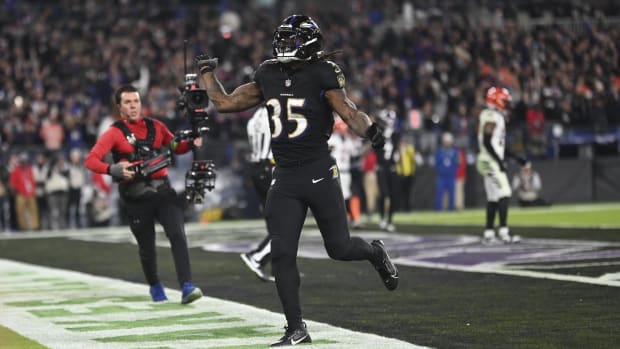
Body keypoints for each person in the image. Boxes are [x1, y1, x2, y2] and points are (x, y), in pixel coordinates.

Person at [196, 14, 399, 347]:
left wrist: (371, 131)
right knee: (281, 254)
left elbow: (348, 111)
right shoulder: (268, 73)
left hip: (318, 171)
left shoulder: (323, 73)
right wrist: (207, 74)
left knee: (340, 247)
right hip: (285, 175)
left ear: (309, 43)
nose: (284, 46)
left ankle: (375, 253)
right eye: (283, 39)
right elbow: (225, 102)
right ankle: (296, 328)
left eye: (291, 40)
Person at [85, 85, 203, 304]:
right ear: (119, 107)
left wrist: (191, 142)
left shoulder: (156, 126)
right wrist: (111, 170)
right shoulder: (113, 132)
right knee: (146, 247)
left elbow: (176, 146)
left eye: (136, 101)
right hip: (135, 197)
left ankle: (187, 285)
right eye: (128, 102)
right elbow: (91, 160)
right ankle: (155, 285)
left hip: (162, 191)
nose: (133, 106)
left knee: (178, 234)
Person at [476, 86, 528, 244]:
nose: (506, 104)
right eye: (504, 100)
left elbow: (497, 145)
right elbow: (486, 141)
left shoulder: (492, 115)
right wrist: (499, 163)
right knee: (504, 192)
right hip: (489, 161)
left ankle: (489, 232)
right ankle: (504, 233)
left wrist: (518, 159)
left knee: (493, 197)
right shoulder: (492, 115)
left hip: (488, 160)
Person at [241, 105, 275, 282]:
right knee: (285, 223)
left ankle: (279, 268)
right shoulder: (274, 113)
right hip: (270, 168)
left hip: (256, 169)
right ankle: (256, 257)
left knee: (274, 220)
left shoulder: (253, 118)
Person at [9, 153, 39, 231]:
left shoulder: (30, 169)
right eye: (23, 161)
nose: (24, 163)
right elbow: (13, 182)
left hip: (30, 193)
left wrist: (33, 190)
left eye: (25, 161)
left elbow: (34, 181)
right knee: (20, 212)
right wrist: (17, 190)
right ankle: (22, 227)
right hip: (21, 194)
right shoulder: (16, 170)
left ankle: (35, 227)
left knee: (33, 211)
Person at [434, 132, 459, 211]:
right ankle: (438, 209)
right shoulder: (439, 151)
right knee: (439, 194)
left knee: (452, 194)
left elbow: (457, 163)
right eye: (445, 141)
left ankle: (451, 209)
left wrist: (453, 170)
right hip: (442, 176)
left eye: (448, 141)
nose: (447, 143)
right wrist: (440, 170)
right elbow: (436, 163)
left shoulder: (455, 152)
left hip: (451, 176)